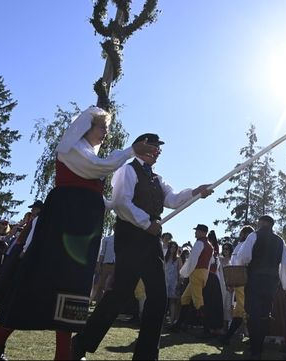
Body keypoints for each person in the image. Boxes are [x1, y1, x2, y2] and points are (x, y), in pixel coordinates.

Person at [0, 106, 157, 360]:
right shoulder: (72, 148)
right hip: (64, 220)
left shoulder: (89, 154)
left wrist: (119, 204)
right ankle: (17, 343)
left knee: (72, 285)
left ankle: (1, 339)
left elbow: (94, 187)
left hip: (83, 223)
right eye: (102, 127)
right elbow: (96, 168)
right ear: (86, 127)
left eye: (107, 128)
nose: (106, 133)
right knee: (48, 279)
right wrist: (131, 151)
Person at [71, 133, 213, 360]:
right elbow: (120, 202)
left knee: (158, 297)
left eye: (159, 147)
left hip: (150, 239)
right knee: (121, 293)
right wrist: (147, 223)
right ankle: (81, 342)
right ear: (142, 147)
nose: (158, 151)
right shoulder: (126, 170)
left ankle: (146, 355)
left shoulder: (157, 179)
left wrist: (196, 191)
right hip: (130, 235)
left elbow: (173, 199)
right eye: (154, 146)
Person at [231, 215, 286, 360]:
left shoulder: (253, 236)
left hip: (254, 279)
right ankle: (258, 346)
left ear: (261, 223)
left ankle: (255, 348)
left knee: (251, 312)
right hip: (271, 282)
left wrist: (239, 268)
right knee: (264, 314)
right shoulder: (279, 240)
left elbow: (243, 257)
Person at [219, 225, 255, 345]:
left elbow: (237, 264)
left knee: (242, 310)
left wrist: (232, 281)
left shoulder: (243, 246)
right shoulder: (250, 245)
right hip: (246, 282)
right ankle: (230, 337)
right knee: (242, 309)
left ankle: (229, 337)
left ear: (244, 234)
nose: (240, 235)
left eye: (242, 233)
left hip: (241, 281)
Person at [89, 234, 116, 306]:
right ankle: (97, 304)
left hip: (115, 266)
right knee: (100, 285)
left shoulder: (122, 240)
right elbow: (102, 252)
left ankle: (106, 305)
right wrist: (99, 265)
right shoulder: (107, 239)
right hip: (106, 264)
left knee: (111, 286)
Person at [164, 241, 183, 325]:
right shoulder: (165, 257)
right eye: (171, 247)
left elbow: (180, 272)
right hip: (165, 281)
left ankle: (172, 321)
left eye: (174, 247)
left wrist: (179, 282)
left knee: (172, 301)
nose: (173, 248)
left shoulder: (178, 259)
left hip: (174, 282)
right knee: (163, 301)